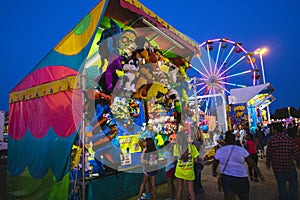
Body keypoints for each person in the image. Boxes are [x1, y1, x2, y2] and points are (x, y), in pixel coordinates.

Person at [212, 131, 264, 200]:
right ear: (234, 140)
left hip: (227, 178)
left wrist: (214, 171)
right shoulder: (241, 150)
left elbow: (215, 163)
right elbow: (251, 163)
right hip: (241, 177)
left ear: (225, 141)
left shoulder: (220, 151)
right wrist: (259, 174)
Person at [266, 122, 300, 200]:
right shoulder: (289, 139)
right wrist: (298, 161)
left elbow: (269, 153)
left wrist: (268, 162)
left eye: (272, 129)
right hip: (289, 165)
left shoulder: (271, 140)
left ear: (275, 130)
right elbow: (295, 152)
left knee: (282, 186)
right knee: (293, 183)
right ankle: (293, 197)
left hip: (278, 167)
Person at [174, 131, 199, 200]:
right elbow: (196, 160)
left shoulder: (176, 147)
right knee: (191, 190)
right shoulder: (191, 146)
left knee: (179, 188)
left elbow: (176, 158)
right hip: (189, 171)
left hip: (179, 171)